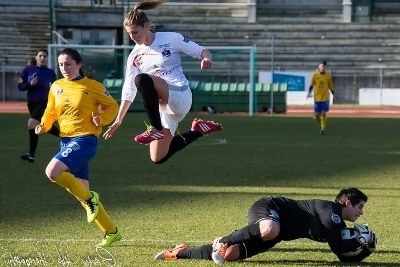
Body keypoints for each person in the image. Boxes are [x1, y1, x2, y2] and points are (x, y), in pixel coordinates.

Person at [103, 0, 223, 164]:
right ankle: (198, 130)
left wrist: (207, 58)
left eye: (135, 32)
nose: (133, 37)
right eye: (129, 34)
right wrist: (118, 120)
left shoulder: (171, 38)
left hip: (180, 95)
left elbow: (202, 51)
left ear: (146, 26)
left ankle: (155, 128)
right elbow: (128, 90)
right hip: (165, 109)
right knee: (158, 157)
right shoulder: (135, 55)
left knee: (142, 79)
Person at [35, 48, 122, 247]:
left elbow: (113, 107)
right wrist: (44, 125)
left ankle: (91, 199)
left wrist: (100, 119)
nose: (64, 68)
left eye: (68, 64)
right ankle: (111, 231)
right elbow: (50, 112)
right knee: (82, 191)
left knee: (52, 172)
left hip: (85, 140)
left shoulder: (92, 86)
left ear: (79, 64)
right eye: (60, 64)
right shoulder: (56, 86)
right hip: (66, 141)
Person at [155, 187, 377, 264]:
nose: (361, 213)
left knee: (228, 256)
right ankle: (223, 239)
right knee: (270, 229)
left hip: (275, 235)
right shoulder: (332, 213)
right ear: (347, 202)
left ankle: (180, 253)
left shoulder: (337, 224)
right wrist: (359, 240)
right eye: (360, 207)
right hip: (270, 207)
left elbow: (342, 256)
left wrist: (365, 250)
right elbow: (340, 246)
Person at [18, 49, 60, 163]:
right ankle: (65, 136)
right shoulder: (27, 70)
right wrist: (29, 84)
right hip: (32, 103)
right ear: (36, 57)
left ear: (47, 58)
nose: (42, 58)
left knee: (32, 123)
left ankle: (31, 154)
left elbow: (56, 88)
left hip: (44, 102)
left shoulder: (50, 72)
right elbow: (20, 86)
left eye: (45, 56)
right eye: (40, 56)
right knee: (42, 125)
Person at [307, 60, 334, 135]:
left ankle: (323, 128)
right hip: (317, 98)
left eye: (324, 66)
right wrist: (309, 92)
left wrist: (333, 91)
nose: (323, 67)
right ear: (318, 67)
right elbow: (312, 85)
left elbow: (331, 85)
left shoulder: (328, 76)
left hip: (325, 97)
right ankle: (320, 125)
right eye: (321, 66)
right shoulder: (315, 75)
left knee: (323, 113)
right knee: (316, 115)